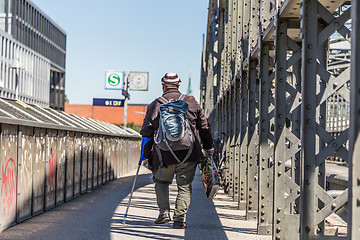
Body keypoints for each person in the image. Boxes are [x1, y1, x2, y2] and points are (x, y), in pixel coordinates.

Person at [140, 72, 214, 229]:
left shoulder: (155, 105)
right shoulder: (191, 102)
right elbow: (204, 127)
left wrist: (145, 156)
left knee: (161, 181)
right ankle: (179, 219)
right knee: (184, 186)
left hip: (162, 156)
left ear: (163, 86)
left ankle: (164, 213)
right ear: (178, 85)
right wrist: (209, 147)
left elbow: (146, 133)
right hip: (189, 154)